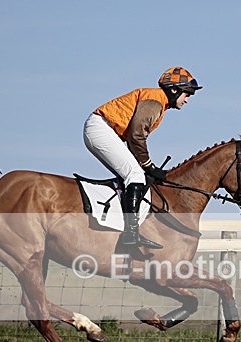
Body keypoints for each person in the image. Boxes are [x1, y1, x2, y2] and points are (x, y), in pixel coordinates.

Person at [83, 66, 203, 249]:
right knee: (136, 175)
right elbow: (136, 135)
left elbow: (134, 138)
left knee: (134, 175)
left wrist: (146, 166)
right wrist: (149, 165)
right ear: (174, 90)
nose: (187, 100)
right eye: (187, 94)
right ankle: (130, 233)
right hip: (101, 129)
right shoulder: (155, 101)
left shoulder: (159, 102)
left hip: (103, 130)